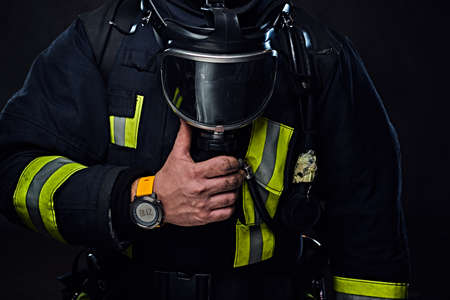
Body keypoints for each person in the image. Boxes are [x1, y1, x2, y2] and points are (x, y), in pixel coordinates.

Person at [0, 0, 410, 299]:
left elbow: (369, 229)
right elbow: (11, 174)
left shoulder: (317, 57)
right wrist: (144, 199)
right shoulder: (101, 42)